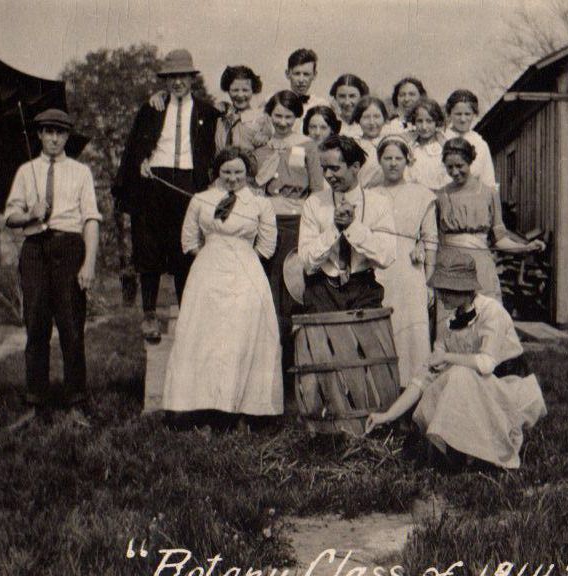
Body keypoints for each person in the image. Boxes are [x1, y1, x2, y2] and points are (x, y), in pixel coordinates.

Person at [365, 249, 547, 470]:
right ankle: (452, 452)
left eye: (446, 291)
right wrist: (387, 415)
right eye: (440, 290)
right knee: (444, 382)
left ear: (463, 289)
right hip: (475, 388)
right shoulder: (450, 324)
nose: (441, 296)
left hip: (506, 388)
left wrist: (448, 357)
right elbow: (423, 378)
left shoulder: (492, 313)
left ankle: (475, 452)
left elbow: (486, 364)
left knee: (458, 376)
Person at [161, 146, 283, 419]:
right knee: (205, 335)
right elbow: (189, 239)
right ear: (217, 172)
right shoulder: (201, 199)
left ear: (248, 173)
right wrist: (212, 256)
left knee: (241, 333)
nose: (232, 178)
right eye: (226, 172)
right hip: (207, 272)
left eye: (238, 172)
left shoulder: (260, 204)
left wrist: (242, 258)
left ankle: (242, 405)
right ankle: (200, 403)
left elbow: (267, 244)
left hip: (245, 271)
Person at [112, 49, 220, 343]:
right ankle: (149, 314)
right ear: (166, 80)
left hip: (188, 183)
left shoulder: (207, 112)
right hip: (154, 181)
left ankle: (187, 315)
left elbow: (215, 149)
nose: (177, 82)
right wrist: (142, 162)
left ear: (192, 79)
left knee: (186, 247)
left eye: (182, 76)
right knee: (148, 247)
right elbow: (135, 147)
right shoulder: (152, 109)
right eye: (172, 77)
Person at [3, 109, 101, 430]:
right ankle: (36, 403)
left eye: (60, 133)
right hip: (34, 250)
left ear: (67, 136)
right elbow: (11, 216)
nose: (54, 138)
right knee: (36, 326)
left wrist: (89, 263)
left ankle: (76, 403)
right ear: (39, 135)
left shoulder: (80, 172)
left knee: (71, 327)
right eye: (48, 132)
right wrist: (30, 213)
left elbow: (91, 219)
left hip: (69, 248)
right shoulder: (26, 171)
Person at [435, 137, 544, 304]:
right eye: (450, 167)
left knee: (484, 315)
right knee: (451, 316)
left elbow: (499, 240)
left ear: (470, 161)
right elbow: (433, 238)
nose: (455, 172)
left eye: (460, 166)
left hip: (480, 268)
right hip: (449, 268)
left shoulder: (488, 194)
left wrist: (525, 247)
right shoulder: (440, 195)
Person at [252, 91, 324, 334]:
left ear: (297, 117)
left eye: (288, 117)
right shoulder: (262, 148)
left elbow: (317, 188)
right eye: (278, 116)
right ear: (269, 115)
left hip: (296, 219)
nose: (282, 122)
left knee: (291, 276)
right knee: (268, 278)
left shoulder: (307, 146)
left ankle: (293, 336)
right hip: (267, 219)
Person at [298, 135, 396, 312]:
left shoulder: (379, 203)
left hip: (364, 289)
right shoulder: (314, 203)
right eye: (324, 169)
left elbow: (387, 257)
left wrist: (352, 227)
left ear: (355, 167)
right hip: (322, 291)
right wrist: (335, 229)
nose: (328, 176)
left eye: (334, 168)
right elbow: (306, 261)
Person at [372, 136, 437, 385]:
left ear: (407, 160)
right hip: (378, 268)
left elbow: (430, 240)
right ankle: (383, 385)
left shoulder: (422, 195)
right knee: (382, 325)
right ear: (379, 161)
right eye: (387, 158)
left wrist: (429, 282)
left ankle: (415, 387)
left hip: (410, 271)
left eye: (398, 158)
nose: (393, 163)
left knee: (412, 329)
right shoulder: (369, 194)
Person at [443, 89, 496, 188]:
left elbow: (488, 181)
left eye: (467, 114)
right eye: (458, 114)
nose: (463, 119)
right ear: (449, 114)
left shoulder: (480, 144)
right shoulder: (441, 139)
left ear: (474, 114)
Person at [404, 97, 451, 191]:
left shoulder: (444, 147)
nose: (424, 127)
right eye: (419, 121)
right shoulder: (410, 146)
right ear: (414, 121)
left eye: (429, 121)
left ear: (437, 122)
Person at [285, 48, 329, 131]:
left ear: (314, 75)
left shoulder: (322, 105)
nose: (301, 80)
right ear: (287, 74)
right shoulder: (276, 102)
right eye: (297, 73)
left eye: (306, 74)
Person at [328, 74, 369, 138]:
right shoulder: (328, 126)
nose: (347, 102)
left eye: (352, 96)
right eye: (342, 96)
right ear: (335, 98)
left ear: (361, 98)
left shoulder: (369, 124)